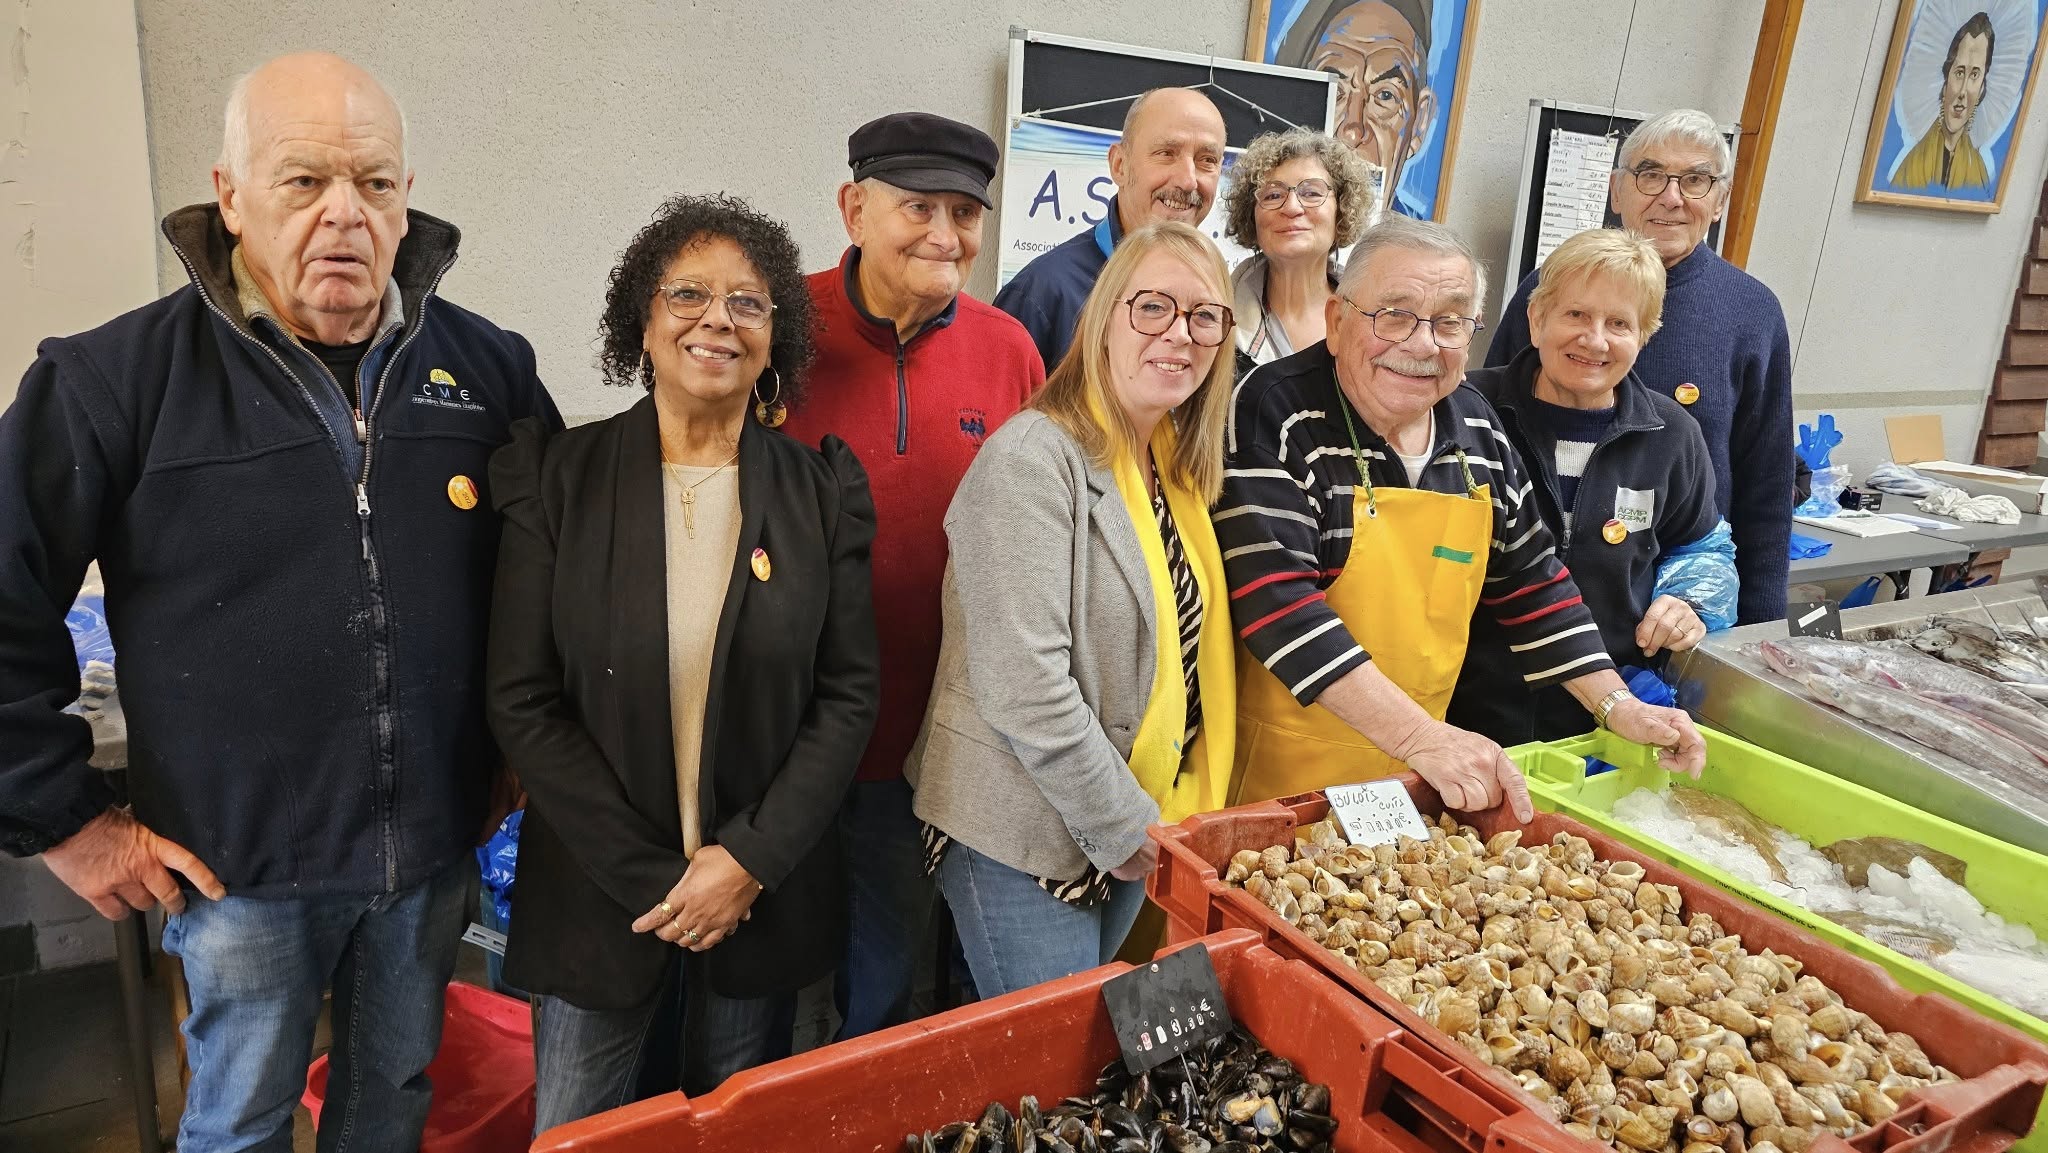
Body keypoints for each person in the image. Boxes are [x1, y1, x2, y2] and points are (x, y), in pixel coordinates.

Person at [0, 53, 559, 1152]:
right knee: (239, 1125)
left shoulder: (487, 370)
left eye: (375, 183)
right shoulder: (114, 381)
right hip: (238, 871)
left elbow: (547, 575)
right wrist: (61, 820)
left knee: (389, 1105)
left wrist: (519, 749)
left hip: (430, 852)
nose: (344, 214)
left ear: (406, 200)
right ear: (230, 194)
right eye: (304, 181)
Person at [487, 193, 878, 1132]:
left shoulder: (819, 493)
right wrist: (658, 880)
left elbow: (848, 694)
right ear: (644, 320)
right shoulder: (558, 479)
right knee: (578, 1133)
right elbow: (522, 697)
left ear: (775, 335)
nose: (718, 320)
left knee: (732, 1130)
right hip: (599, 897)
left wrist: (747, 860)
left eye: (748, 302)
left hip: (758, 897)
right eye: (689, 295)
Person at [1220, 216, 1705, 813]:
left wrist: (1618, 706)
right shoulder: (1274, 410)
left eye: (1450, 322)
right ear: (1338, 321)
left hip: (1413, 778)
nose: (1422, 344)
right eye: (1394, 315)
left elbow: (1531, 582)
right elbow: (1277, 604)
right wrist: (1422, 738)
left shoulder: (1475, 424)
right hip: (1279, 777)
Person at [909, 222, 1238, 996]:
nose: (1179, 334)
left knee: (1077, 1038)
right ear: (1102, 319)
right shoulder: (1032, 459)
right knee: (1052, 1054)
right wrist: (1128, 829)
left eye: (1204, 316)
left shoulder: (1170, 467)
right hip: (1026, 827)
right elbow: (1025, 683)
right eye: (1153, 307)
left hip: (1134, 812)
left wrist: (1145, 825)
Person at [776, 111, 1042, 1039]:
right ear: (854, 210)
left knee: (883, 978)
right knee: (754, 987)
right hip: (778, 732)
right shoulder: (778, 325)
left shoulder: (1008, 350)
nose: (945, 234)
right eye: (917, 207)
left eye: (964, 213)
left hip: (922, 733)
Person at [1488, 109, 1793, 626]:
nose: (1671, 198)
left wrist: (1759, 626)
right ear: (1617, 191)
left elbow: (1767, 484)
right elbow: (1484, 430)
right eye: (1650, 175)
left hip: (1662, 626)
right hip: (1514, 605)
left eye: (1695, 180)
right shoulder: (1549, 289)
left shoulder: (1753, 313)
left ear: (1719, 201)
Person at [1449, 229, 1737, 746]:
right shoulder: (1465, 410)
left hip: (1609, 721)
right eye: (1576, 315)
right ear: (1537, 319)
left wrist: (1688, 600)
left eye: (1619, 323)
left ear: (1644, 336)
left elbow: (1702, 549)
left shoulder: (1671, 434)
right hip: (1458, 716)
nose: (1595, 340)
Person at [994, 87, 1226, 369]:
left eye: (1207, 160)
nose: (1188, 181)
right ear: (1119, 165)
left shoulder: (1215, 300)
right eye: (1166, 153)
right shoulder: (1041, 295)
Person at [1221, 127, 1375, 371]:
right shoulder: (1214, 318)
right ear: (1251, 216)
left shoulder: (1375, 321)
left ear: (1342, 210)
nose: (1292, 208)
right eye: (1273, 195)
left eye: (1312, 193)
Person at [1277, 0, 1436, 218]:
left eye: (1385, 95)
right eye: (1335, 91)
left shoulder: (1417, 241)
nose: (1352, 133)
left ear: (1419, 124)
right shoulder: (1264, 227)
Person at [1897, 12, 1995, 192]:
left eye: (1974, 75)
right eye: (1959, 72)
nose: (1963, 92)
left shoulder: (1978, 175)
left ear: (1981, 89)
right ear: (1945, 82)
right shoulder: (1913, 167)